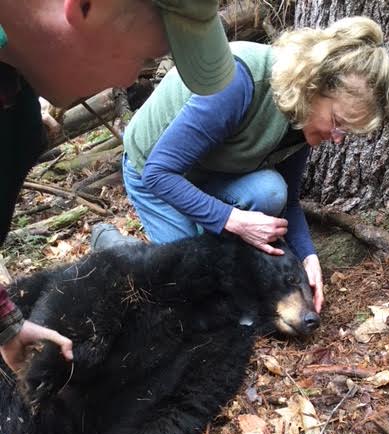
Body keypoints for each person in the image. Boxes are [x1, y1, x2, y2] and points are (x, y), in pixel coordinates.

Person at [0, 0, 235, 372]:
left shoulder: (16, 112)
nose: (129, 81)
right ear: (88, 7)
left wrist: (6, 322)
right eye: (143, 58)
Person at [121, 15, 389, 315]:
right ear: (315, 84)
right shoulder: (238, 83)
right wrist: (234, 220)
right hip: (153, 174)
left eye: (346, 132)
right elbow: (158, 174)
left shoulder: (301, 116)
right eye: (338, 123)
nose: (337, 139)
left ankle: (211, 239)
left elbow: (289, 201)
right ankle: (120, 250)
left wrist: (309, 257)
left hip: (210, 171)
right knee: (196, 290)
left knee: (270, 191)